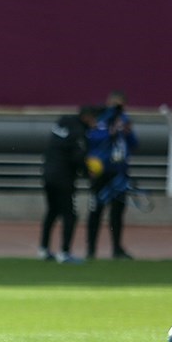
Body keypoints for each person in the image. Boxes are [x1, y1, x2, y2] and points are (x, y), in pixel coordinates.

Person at [38, 105, 99, 263]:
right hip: (63, 178)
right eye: (94, 119)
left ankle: (43, 249)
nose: (95, 123)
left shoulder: (63, 121)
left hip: (47, 173)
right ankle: (64, 252)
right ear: (87, 117)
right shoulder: (80, 133)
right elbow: (77, 158)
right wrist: (88, 173)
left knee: (52, 212)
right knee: (69, 214)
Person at [85, 90, 138, 260]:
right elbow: (92, 140)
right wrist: (110, 131)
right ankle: (91, 249)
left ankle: (116, 248)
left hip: (119, 172)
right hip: (101, 172)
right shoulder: (99, 120)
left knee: (117, 212)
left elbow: (134, 145)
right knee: (96, 210)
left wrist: (128, 132)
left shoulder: (124, 122)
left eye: (120, 105)